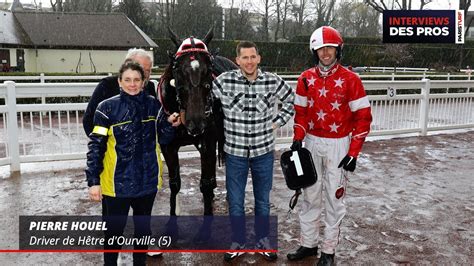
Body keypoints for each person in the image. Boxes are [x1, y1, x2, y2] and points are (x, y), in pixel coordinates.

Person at [287, 26, 372, 266]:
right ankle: (308, 244)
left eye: (330, 49)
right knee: (310, 196)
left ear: (338, 50)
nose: (326, 53)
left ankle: (328, 251)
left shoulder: (351, 79)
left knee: (335, 198)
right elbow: (301, 114)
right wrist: (297, 138)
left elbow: (363, 117)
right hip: (312, 142)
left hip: (339, 145)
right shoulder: (305, 78)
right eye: (321, 49)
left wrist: (353, 153)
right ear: (314, 51)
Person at [85, 61, 178, 265]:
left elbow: (163, 139)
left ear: (144, 82)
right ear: (120, 82)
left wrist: (170, 124)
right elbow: (96, 147)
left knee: (142, 233)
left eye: (137, 80)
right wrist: (93, 181)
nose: (132, 84)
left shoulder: (154, 105)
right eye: (127, 80)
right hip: (116, 185)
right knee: (113, 234)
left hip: (147, 183)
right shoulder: (106, 108)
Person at [212, 41, 294, 262]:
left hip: (263, 152)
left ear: (259, 58)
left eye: (252, 57)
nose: (249, 61)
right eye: (244, 57)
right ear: (237, 60)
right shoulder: (223, 82)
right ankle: (237, 241)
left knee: (262, 200)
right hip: (235, 152)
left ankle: (263, 241)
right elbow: (200, 99)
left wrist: (277, 122)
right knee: (235, 200)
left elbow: (291, 100)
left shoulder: (272, 81)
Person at [83, 48, 157, 137]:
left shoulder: (150, 87)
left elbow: (156, 122)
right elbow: (89, 119)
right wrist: (104, 145)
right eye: (140, 68)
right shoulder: (108, 85)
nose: (144, 74)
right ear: (127, 65)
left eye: (148, 70)